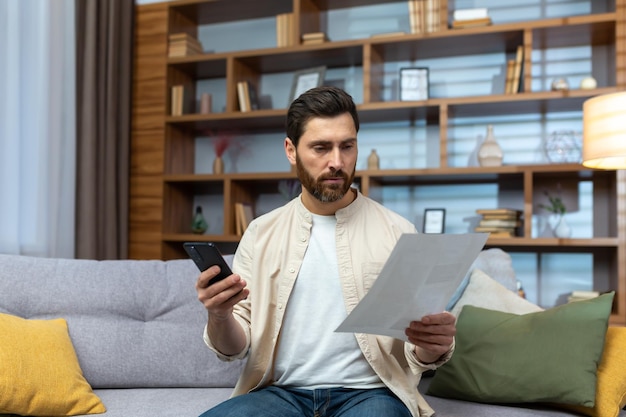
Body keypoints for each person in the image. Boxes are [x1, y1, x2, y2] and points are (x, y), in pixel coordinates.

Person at [195, 86, 456, 417]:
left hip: (370, 395)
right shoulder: (261, 233)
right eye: (321, 148)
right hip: (281, 394)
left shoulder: (398, 231)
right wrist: (219, 315)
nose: (337, 162)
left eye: (347, 146)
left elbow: (416, 351)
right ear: (291, 150)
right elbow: (235, 348)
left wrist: (434, 345)